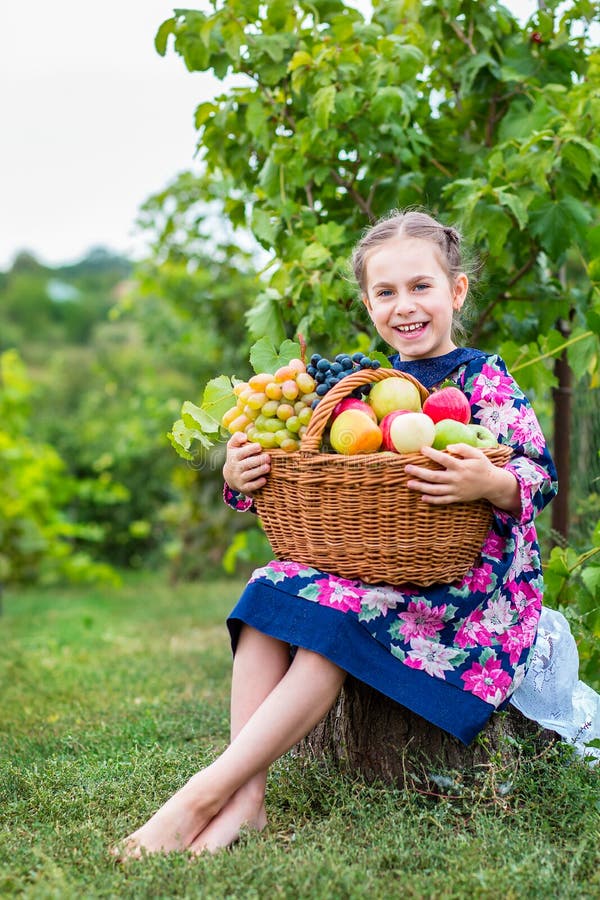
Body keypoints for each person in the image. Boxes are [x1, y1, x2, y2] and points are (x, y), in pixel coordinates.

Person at [115, 209, 558, 858]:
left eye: (421, 287)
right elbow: (308, 467)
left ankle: (201, 797)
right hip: (374, 565)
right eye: (386, 292)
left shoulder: (481, 378)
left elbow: (538, 476)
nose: (404, 306)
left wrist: (488, 485)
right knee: (270, 592)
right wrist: (241, 473)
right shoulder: (367, 390)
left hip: (465, 584)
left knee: (333, 624)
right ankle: (248, 800)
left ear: (456, 291)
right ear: (367, 302)